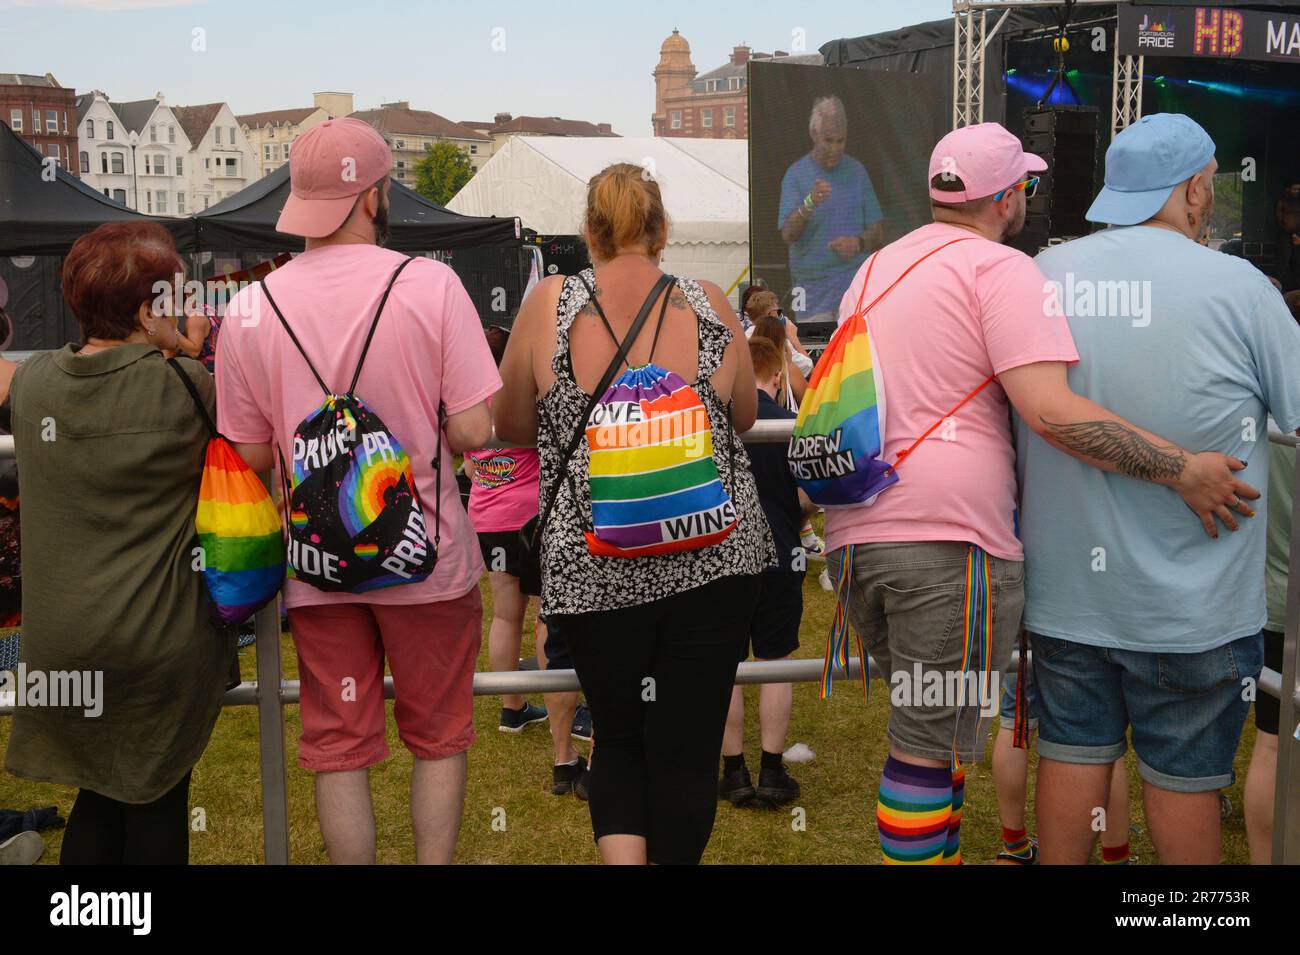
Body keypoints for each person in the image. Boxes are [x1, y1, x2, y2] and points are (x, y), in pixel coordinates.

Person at [824, 121, 1255, 866]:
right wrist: (1182, 467)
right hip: (945, 546)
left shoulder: (877, 267)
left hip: (861, 535)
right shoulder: (1002, 271)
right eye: (1024, 183)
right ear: (1008, 196)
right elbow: (1052, 411)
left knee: (937, 736)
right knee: (925, 750)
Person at [1017, 113, 1300, 865]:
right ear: (1198, 192)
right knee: (1186, 780)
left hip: (1069, 597)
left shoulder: (1042, 275)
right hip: (1197, 609)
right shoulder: (1242, 287)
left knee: (1073, 755)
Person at [216, 118, 497, 865]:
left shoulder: (250, 307)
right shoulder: (431, 284)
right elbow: (473, 431)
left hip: (318, 568)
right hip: (428, 559)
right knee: (439, 735)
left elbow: (245, 449)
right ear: (373, 196)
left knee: (339, 745)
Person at [494, 162, 774, 865]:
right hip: (713, 562)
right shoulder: (709, 302)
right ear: (662, 231)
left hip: (595, 567)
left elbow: (508, 422)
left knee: (619, 737)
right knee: (685, 750)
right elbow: (743, 417)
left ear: (589, 232)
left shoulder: (550, 303)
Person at [1, 221, 237, 864]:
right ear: (145, 309)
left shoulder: (35, 384)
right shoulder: (190, 389)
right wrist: (188, 353)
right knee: (153, 796)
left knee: (99, 795)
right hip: (159, 640)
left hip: (64, 640)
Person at [719, 338, 816, 808]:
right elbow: (813, 493)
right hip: (780, 551)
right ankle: (773, 770)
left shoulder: (716, 420)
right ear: (777, 375)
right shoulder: (789, 422)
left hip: (724, 557)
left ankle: (734, 772)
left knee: (726, 666)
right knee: (777, 662)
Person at [990, 665, 1133, 864]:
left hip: (1025, 639)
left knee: (1016, 719)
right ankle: (1116, 857)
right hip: (1077, 640)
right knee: (1101, 736)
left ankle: (1015, 845)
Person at [779, 95, 885, 324]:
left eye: (841, 141)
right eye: (829, 141)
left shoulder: (857, 171)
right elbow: (788, 235)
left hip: (856, 286)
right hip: (813, 290)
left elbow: (878, 230)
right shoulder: (796, 175)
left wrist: (858, 243)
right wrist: (810, 202)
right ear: (814, 135)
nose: (836, 149)